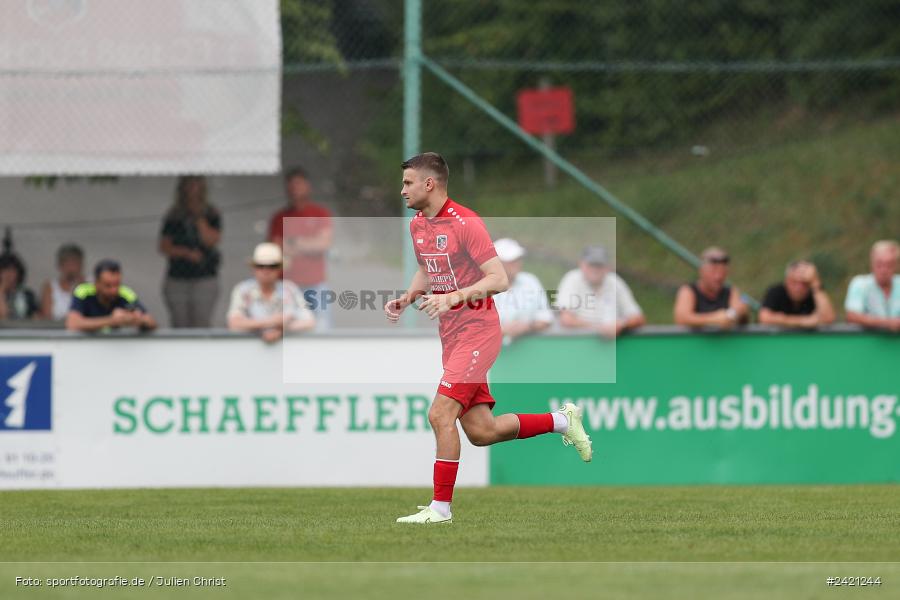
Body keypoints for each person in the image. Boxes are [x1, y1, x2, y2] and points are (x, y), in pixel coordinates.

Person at [384, 152, 591, 525]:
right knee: (482, 431)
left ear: (429, 184)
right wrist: (407, 298)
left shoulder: (467, 223)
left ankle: (440, 510)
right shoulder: (418, 224)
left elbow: (499, 279)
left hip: (478, 331)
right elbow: (426, 269)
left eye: (408, 183)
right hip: (452, 335)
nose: (403, 190)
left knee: (440, 413)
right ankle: (561, 421)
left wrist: (452, 297)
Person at [268, 167, 333, 330]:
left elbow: (323, 244)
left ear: (308, 186)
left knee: (321, 329)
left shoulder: (320, 213)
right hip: (286, 285)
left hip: (315, 284)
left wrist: (293, 242)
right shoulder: (279, 217)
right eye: (291, 184)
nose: (294, 188)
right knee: (286, 328)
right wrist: (309, 244)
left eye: (298, 184)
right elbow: (275, 249)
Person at [158, 175, 222, 328]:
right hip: (177, 278)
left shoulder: (211, 213)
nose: (193, 191)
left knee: (201, 321)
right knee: (180, 322)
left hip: (205, 277)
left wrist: (199, 217)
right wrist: (186, 253)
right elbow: (164, 246)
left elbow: (212, 240)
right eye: (189, 186)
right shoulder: (174, 215)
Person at [227, 243, 315, 343]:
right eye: (261, 266)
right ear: (254, 268)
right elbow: (234, 323)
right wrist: (273, 322)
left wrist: (281, 330)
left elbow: (309, 322)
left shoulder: (290, 289)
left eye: (272, 266)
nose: (266, 270)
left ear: (279, 269)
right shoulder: (243, 290)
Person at [556, 246, 645, 337]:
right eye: (591, 264)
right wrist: (600, 329)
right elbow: (566, 319)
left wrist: (621, 325)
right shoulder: (572, 279)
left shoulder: (615, 282)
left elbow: (638, 318)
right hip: (576, 342)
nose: (595, 269)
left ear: (608, 267)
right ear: (581, 265)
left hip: (612, 345)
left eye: (599, 265)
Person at [66, 260, 157, 332]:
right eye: (108, 285)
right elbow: (73, 324)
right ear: (96, 283)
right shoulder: (83, 292)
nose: (113, 290)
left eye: (117, 285)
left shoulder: (126, 293)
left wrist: (137, 319)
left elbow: (152, 323)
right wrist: (112, 321)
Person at [492, 238, 554, 343]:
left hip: (528, 354)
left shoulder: (531, 281)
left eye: (518, 259)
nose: (516, 263)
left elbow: (545, 319)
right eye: (510, 261)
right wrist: (500, 331)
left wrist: (527, 326)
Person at [674, 246, 749, 328]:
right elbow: (682, 319)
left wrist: (737, 313)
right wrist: (714, 319)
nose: (718, 277)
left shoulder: (731, 291)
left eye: (722, 272)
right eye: (713, 271)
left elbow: (738, 310)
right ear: (701, 271)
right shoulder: (688, 291)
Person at [759, 260, 836, 329]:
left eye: (804, 283)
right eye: (794, 282)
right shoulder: (776, 291)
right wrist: (803, 321)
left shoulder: (814, 293)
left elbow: (828, 318)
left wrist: (816, 284)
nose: (798, 288)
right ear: (787, 280)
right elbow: (764, 317)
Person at [845, 240, 900, 332]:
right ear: (872, 264)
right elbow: (852, 316)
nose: (884, 270)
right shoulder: (859, 283)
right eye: (879, 264)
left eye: (889, 264)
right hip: (866, 344)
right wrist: (888, 323)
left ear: (897, 265)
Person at [40, 243, 85, 321]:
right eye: (67, 264)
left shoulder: (89, 285)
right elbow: (46, 316)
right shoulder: (50, 287)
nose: (71, 268)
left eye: (74, 263)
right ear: (60, 266)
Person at [0, 252, 38, 321]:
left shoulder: (27, 294)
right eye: (5, 270)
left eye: (12, 270)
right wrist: (1, 289)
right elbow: (3, 315)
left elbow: (36, 317)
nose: (8, 274)